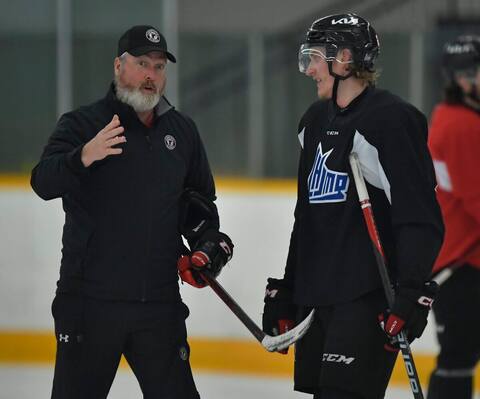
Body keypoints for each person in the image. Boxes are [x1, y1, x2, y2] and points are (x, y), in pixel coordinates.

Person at [31, 25, 233, 399]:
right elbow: (43, 182)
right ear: (118, 66)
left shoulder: (182, 132)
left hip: (158, 307)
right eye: (142, 64)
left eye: (158, 67)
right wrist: (83, 157)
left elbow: (200, 208)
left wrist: (206, 246)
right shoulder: (83, 125)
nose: (150, 75)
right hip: (89, 306)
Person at [262, 13, 444, 399]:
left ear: (344, 59)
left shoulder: (391, 120)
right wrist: (291, 288)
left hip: (367, 297)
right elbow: (306, 217)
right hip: (319, 296)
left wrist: (411, 292)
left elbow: (420, 218)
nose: (309, 69)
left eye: (314, 57)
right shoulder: (312, 122)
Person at [426, 35, 480, 399]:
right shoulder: (461, 124)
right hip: (463, 266)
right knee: (457, 364)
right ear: (464, 77)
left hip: (462, 264)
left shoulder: (455, 117)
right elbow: (477, 199)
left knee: (458, 362)